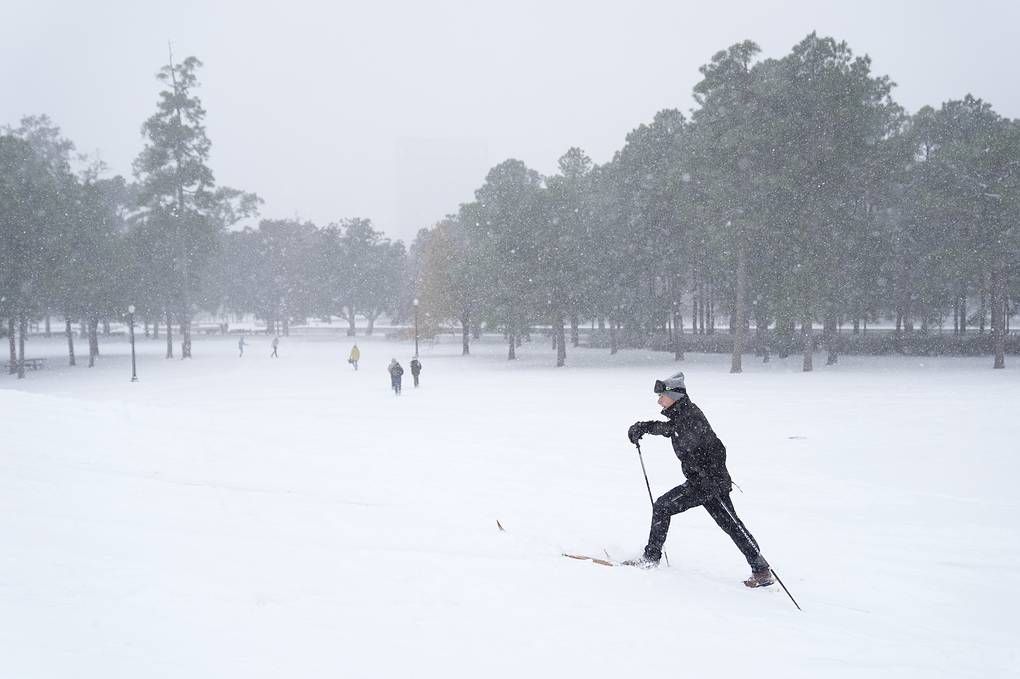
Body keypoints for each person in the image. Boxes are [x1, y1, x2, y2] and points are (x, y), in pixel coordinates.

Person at [624, 371, 773, 588]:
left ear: (674, 396)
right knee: (729, 523)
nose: (659, 401)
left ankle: (651, 558)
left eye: (662, 397)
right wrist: (644, 427)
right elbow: (670, 429)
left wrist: (709, 474)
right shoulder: (680, 415)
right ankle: (760, 569)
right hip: (701, 483)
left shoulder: (690, 417)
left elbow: (716, 448)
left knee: (666, 507)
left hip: (708, 483)